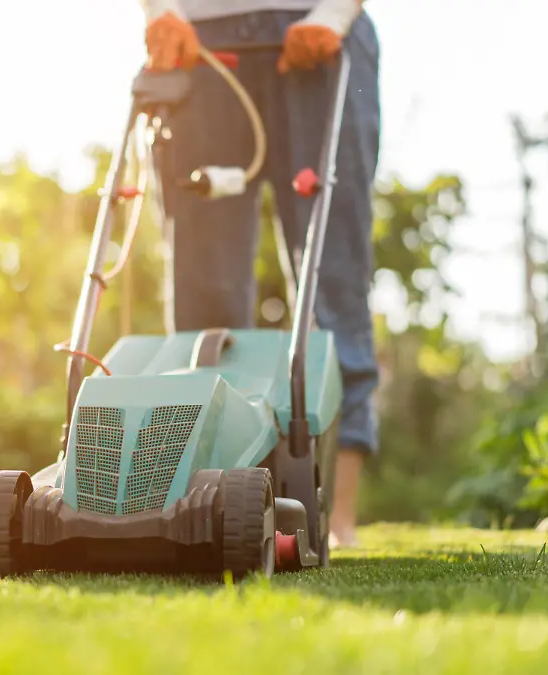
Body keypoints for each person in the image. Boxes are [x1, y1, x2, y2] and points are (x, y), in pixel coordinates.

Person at [140, 0, 380, 548]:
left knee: (331, 275)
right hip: (199, 40)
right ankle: (200, 498)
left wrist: (336, 15)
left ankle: (336, 515)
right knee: (206, 290)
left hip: (319, 31)